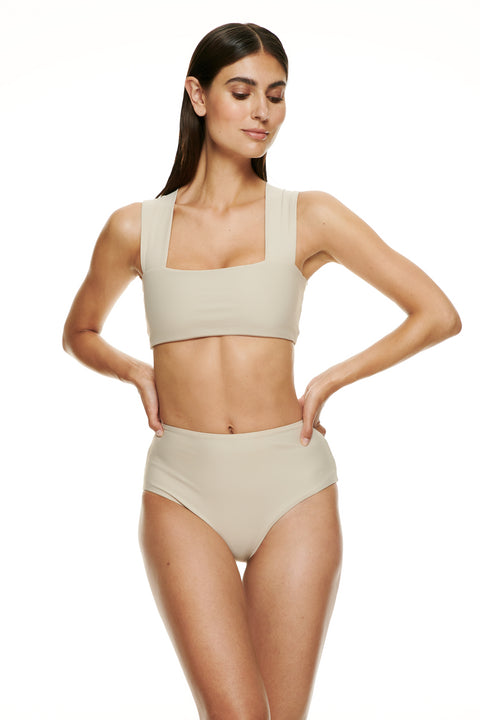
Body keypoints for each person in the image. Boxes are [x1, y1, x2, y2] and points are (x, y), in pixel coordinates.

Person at [62, 21, 462, 720]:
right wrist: (134, 371)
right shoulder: (135, 227)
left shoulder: (310, 216)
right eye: (242, 92)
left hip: (292, 485)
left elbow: (437, 313)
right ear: (197, 96)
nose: (262, 113)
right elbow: (79, 332)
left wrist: (331, 378)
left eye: (276, 96)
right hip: (183, 487)